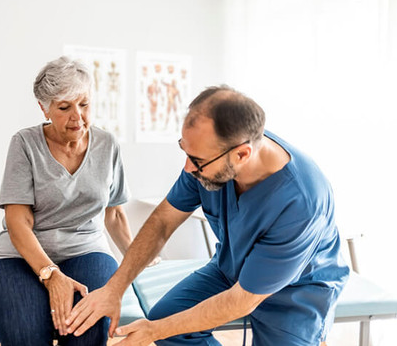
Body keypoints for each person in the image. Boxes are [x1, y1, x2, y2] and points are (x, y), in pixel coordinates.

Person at [65, 85, 350, 346]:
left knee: (162, 327)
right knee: (167, 320)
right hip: (231, 269)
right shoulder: (207, 159)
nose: (188, 167)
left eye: (197, 160)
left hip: (296, 292)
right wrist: (115, 288)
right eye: (185, 150)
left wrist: (153, 332)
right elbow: (163, 221)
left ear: (241, 154)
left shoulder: (300, 201)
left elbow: (243, 299)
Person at [0, 56, 135, 346]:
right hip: (19, 258)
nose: (78, 116)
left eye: (84, 104)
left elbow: (114, 214)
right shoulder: (25, 143)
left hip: (87, 252)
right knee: (27, 334)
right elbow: (18, 220)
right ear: (44, 108)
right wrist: (51, 275)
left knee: (84, 334)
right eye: (64, 107)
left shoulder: (107, 144)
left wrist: (138, 262)